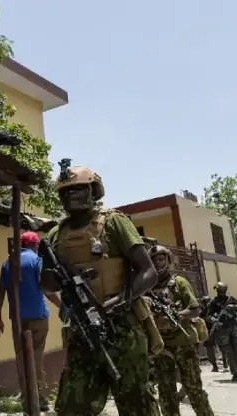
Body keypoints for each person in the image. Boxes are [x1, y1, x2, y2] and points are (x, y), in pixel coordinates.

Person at [40, 160, 161, 416]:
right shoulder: (54, 235)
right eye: (66, 191)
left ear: (94, 191)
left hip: (123, 327)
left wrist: (116, 302)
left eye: (79, 189)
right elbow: (47, 284)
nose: (72, 195)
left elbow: (148, 272)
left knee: (136, 406)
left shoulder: (114, 222)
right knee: (72, 407)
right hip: (82, 331)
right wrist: (54, 270)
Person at [0, 231, 61, 412]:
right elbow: (48, 290)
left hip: (18, 320)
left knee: (22, 358)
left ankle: (27, 397)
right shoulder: (37, 262)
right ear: (36, 245)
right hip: (38, 316)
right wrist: (63, 307)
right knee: (36, 358)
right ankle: (38, 399)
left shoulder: (7, 264)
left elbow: (0, 292)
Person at [148, 245, 214, 416]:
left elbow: (195, 309)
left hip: (184, 343)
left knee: (193, 389)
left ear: (168, 261)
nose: (158, 263)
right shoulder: (147, 288)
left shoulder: (179, 282)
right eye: (154, 260)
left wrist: (176, 315)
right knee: (166, 392)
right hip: (161, 346)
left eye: (161, 259)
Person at [206, 283, 237, 382]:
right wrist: (215, 320)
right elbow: (208, 316)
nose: (222, 294)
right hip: (222, 330)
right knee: (228, 351)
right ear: (217, 291)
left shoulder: (231, 299)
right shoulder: (213, 302)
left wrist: (234, 307)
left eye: (223, 292)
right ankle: (234, 373)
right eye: (220, 292)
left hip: (232, 326)